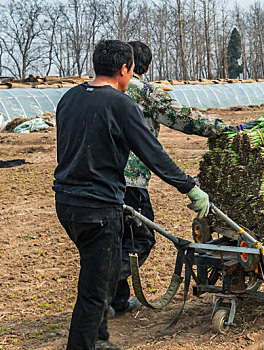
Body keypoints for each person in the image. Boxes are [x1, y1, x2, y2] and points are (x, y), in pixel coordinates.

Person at [53, 40, 209, 350]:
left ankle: (100, 339)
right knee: (96, 290)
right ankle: (86, 345)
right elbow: (152, 153)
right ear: (124, 69)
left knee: (97, 274)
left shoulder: (68, 98)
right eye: (132, 71)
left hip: (66, 203)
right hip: (98, 209)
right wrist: (189, 186)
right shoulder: (120, 104)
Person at [109, 40, 242, 317]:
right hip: (130, 182)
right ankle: (102, 293)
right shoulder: (146, 92)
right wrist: (228, 130)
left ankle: (116, 301)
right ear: (138, 66)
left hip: (100, 180)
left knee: (115, 240)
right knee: (140, 240)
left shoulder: (98, 91)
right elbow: (185, 119)